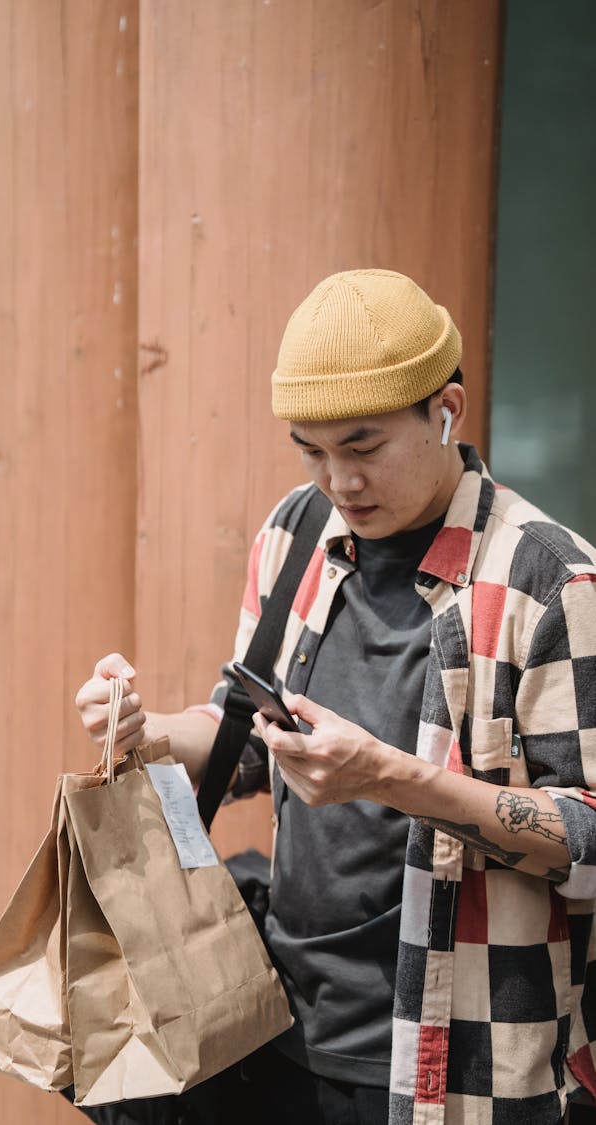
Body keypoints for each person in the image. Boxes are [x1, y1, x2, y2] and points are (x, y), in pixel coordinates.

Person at [75, 270, 596, 1125]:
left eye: (363, 446)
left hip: (461, 1057)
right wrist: (150, 729)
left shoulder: (550, 580)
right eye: (310, 450)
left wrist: (391, 779)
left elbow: (588, 837)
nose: (339, 482)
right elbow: (248, 735)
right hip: (271, 1030)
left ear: (446, 409)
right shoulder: (295, 532)